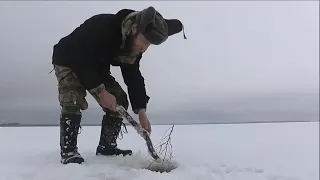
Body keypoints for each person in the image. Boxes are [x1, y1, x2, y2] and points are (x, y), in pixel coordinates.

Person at [51, 6, 186, 164]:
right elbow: (80, 60)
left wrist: (141, 110)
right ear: (134, 28)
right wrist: (100, 92)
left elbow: (133, 76)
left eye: (149, 45)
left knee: (119, 100)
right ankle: (69, 151)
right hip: (69, 59)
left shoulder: (132, 45)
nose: (144, 48)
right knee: (72, 98)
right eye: (144, 42)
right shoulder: (103, 28)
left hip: (97, 67)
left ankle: (107, 147)